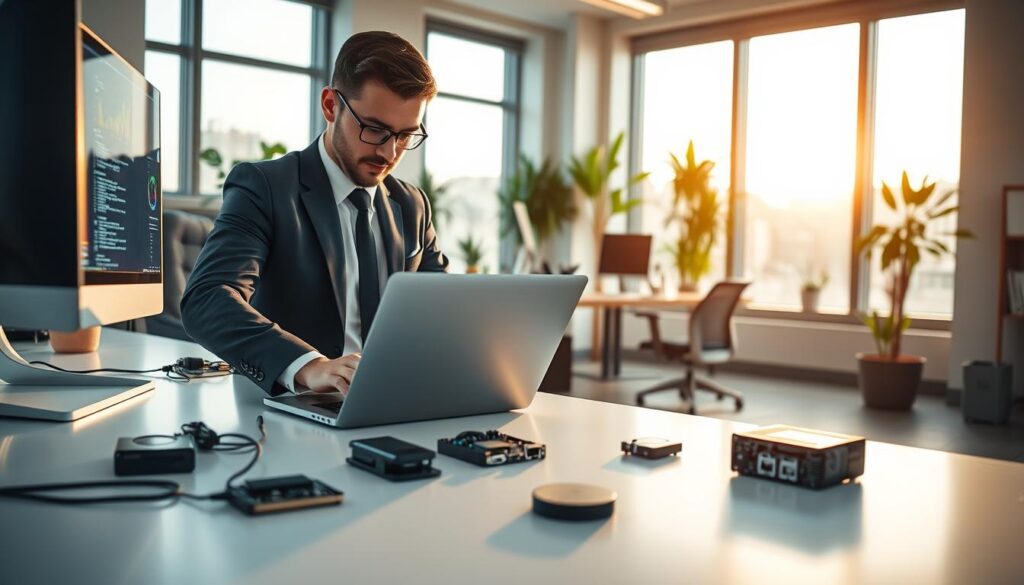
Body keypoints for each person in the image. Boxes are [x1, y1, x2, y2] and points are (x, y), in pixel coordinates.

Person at [181, 31, 449, 397]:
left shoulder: (412, 205)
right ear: (330, 106)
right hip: (291, 409)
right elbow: (207, 298)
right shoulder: (265, 187)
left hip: (392, 402)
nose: (389, 153)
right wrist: (309, 366)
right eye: (374, 129)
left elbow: (444, 313)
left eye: (404, 136)